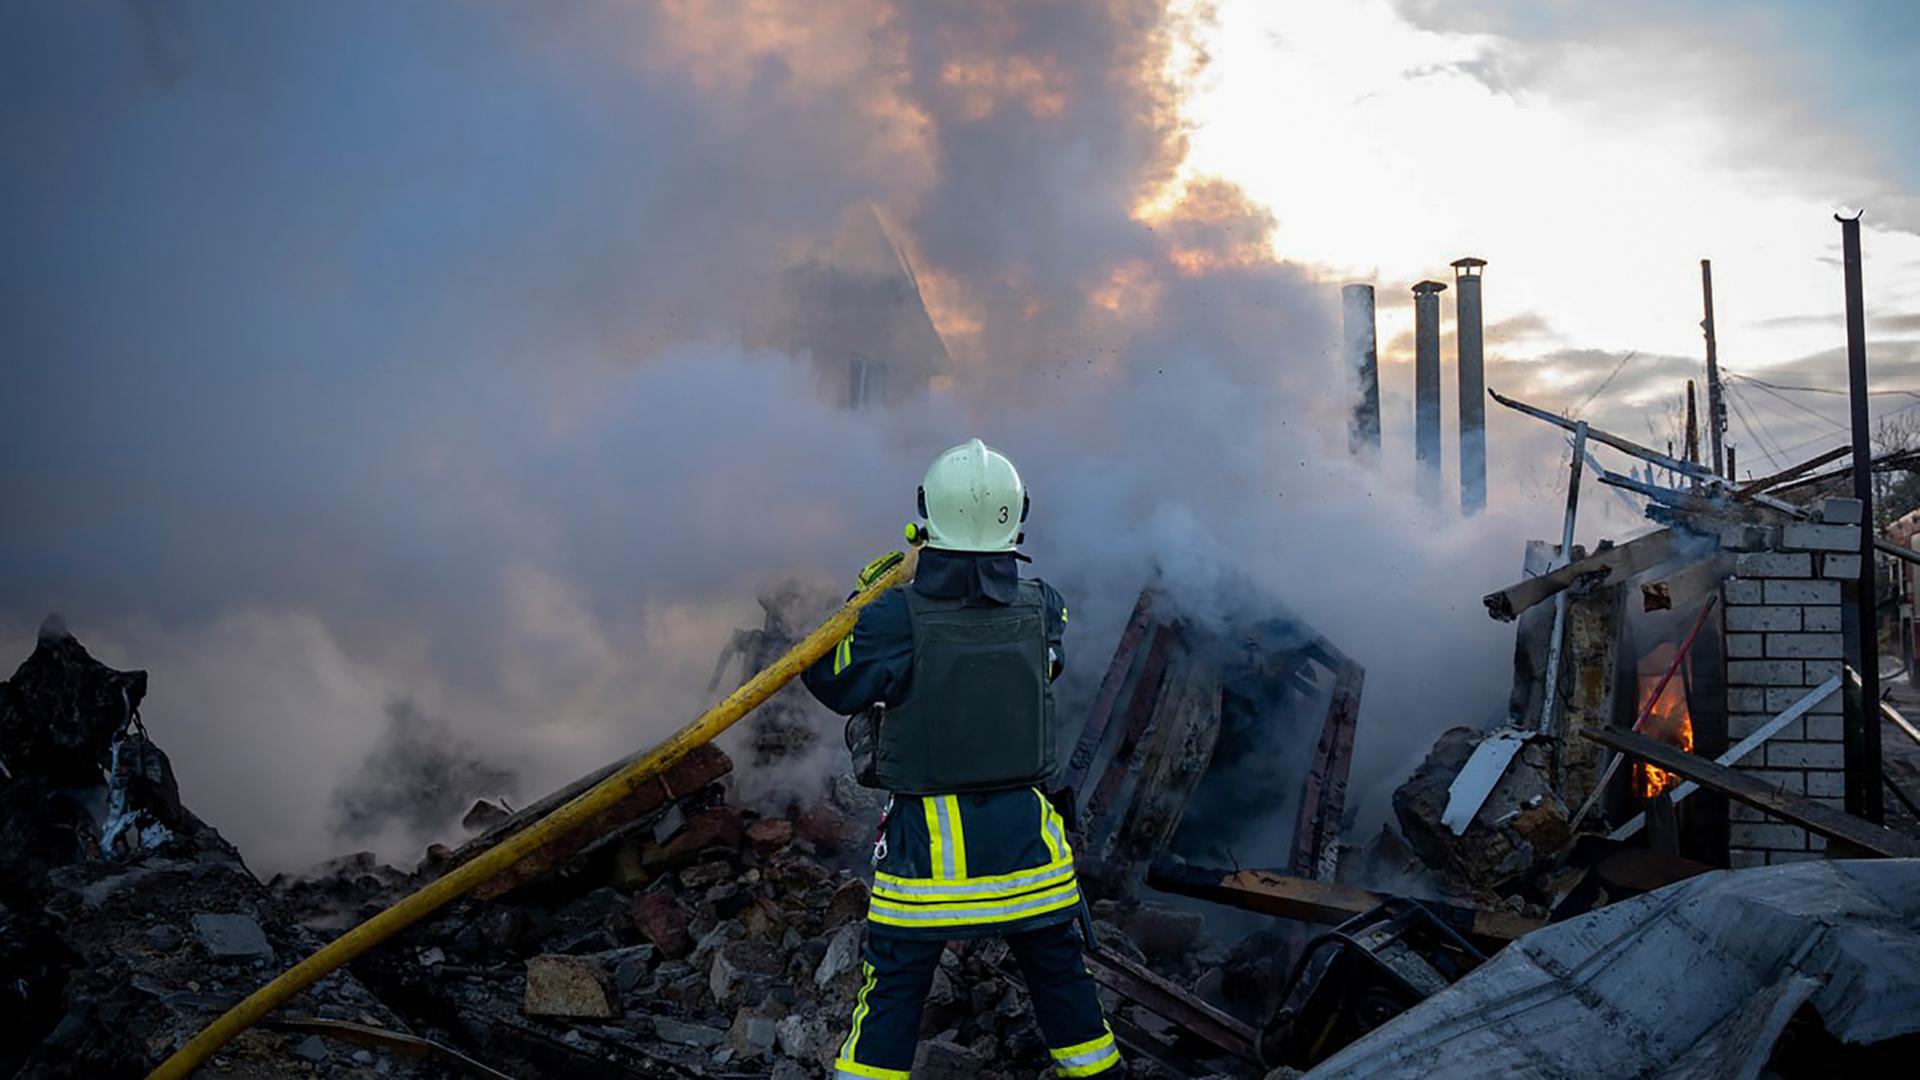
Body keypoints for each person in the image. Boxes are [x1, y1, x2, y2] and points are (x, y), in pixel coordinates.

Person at [801, 438, 1121, 1080]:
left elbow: (832, 681)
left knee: (889, 1005)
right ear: (1016, 515)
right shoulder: (1045, 604)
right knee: (1069, 998)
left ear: (925, 513)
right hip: (1031, 857)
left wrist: (857, 608)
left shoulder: (895, 616)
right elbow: (1046, 665)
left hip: (930, 863)